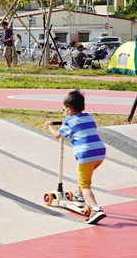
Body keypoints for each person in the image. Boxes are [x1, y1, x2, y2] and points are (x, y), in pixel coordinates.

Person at [43, 90, 107, 224]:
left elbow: (58, 135)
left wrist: (49, 126)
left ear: (69, 110)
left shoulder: (69, 121)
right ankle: (79, 198)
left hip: (86, 155)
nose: (64, 111)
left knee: (85, 184)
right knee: (82, 174)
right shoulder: (90, 117)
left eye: (64, 109)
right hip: (100, 153)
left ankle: (96, 209)